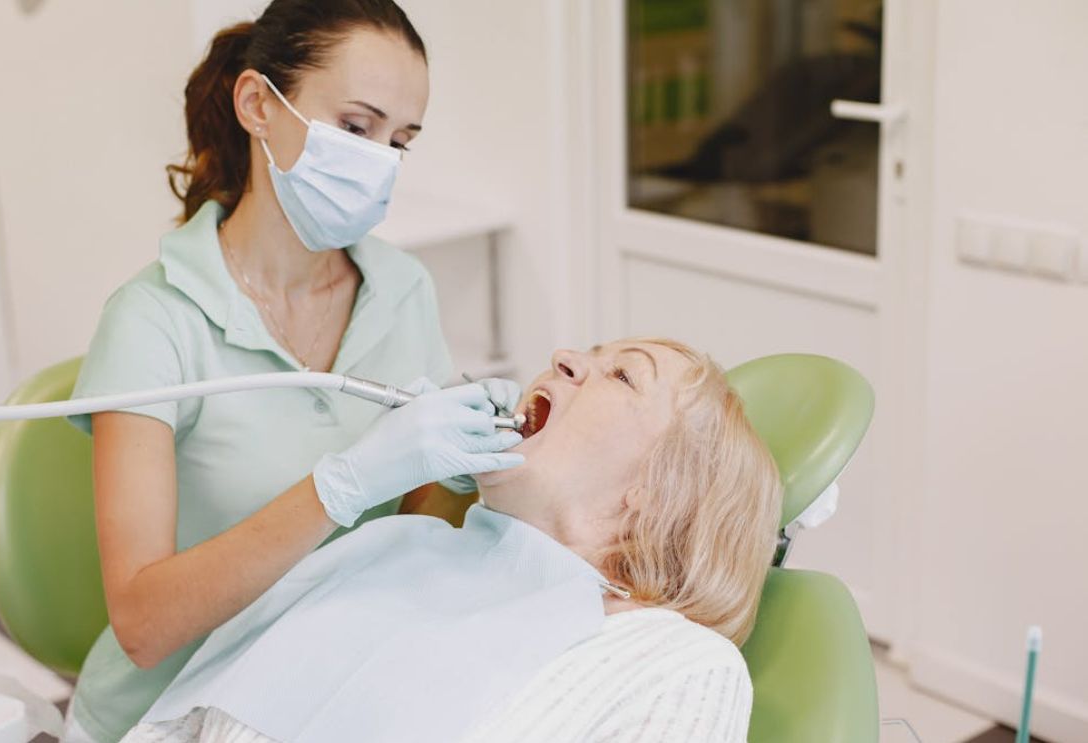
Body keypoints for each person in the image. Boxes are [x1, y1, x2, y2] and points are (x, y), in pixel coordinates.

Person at [62, 3, 523, 740]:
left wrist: (460, 470)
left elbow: (411, 536)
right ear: (257, 105)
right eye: (354, 127)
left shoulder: (402, 289)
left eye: (399, 140)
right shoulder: (153, 321)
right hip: (167, 712)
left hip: (320, 691)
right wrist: (338, 486)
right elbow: (143, 625)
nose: (380, 160)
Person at [120, 339, 784, 743]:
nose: (564, 356)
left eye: (621, 375)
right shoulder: (393, 550)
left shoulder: (670, 660)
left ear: (656, 494)